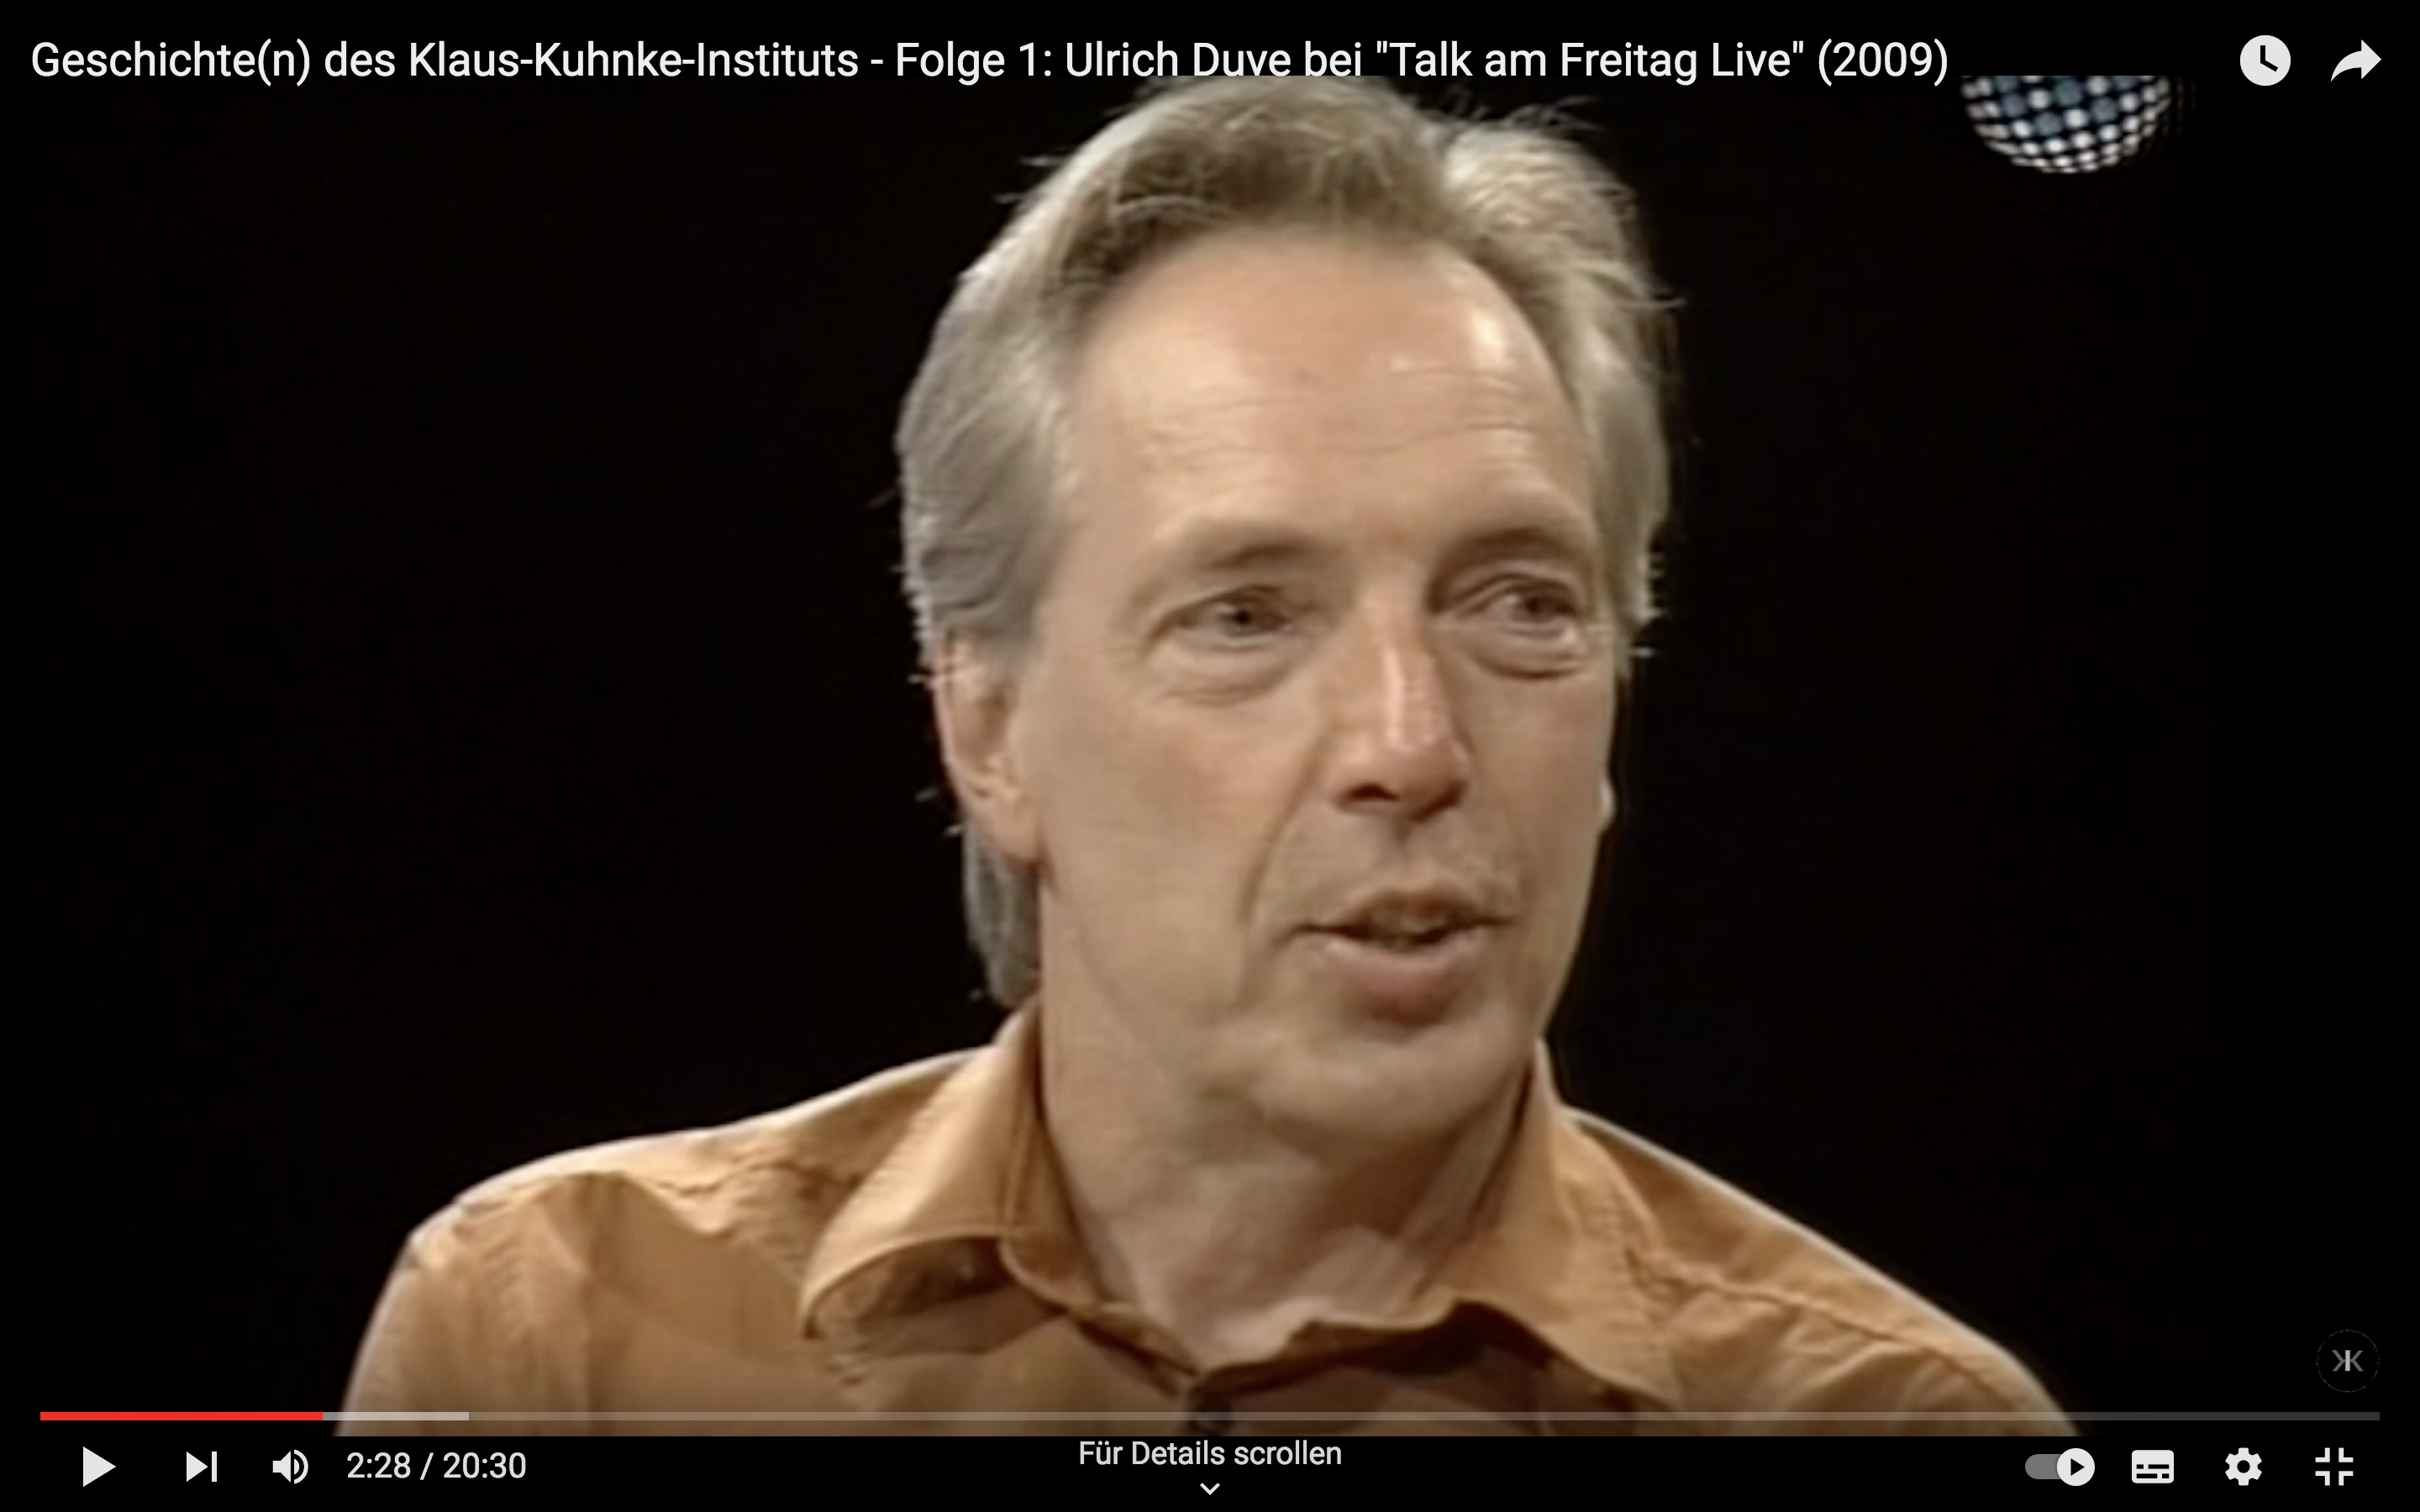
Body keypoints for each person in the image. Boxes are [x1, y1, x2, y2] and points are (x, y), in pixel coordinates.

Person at [342, 76, 2067, 1436]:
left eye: (1520, 605)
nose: (1411, 745)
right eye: (1247, 616)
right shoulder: (564, 1337)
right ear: (986, 726)